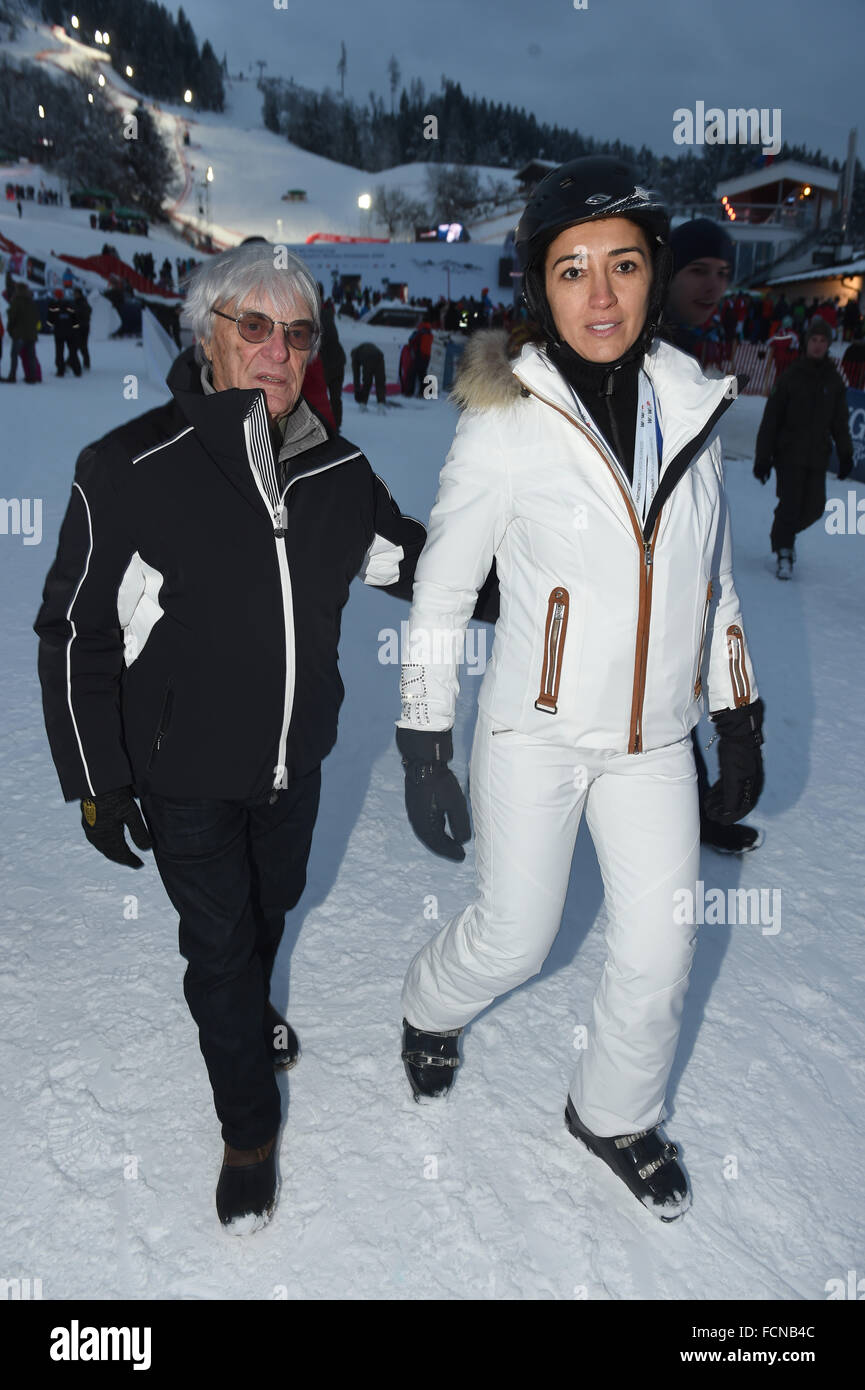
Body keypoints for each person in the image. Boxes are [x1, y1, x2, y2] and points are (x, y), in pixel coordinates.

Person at [394, 157, 764, 1222]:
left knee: (660, 946)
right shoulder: (505, 419)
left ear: (653, 277)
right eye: (570, 271)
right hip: (536, 730)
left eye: (622, 266)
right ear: (538, 287)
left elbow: (717, 582)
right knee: (516, 934)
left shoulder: (693, 407)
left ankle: (613, 1112)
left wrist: (735, 711)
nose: (598, 296)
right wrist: (426, 737)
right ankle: (428, 1006)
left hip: (651, 742)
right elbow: (442, 587)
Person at [34, 242, 426, 1234]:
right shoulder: (130, 467)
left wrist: (537, 576)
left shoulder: (337, 470)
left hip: (294, 769)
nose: (278, 351)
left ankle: (252, 1001)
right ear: (204, 337)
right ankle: (248, 1127)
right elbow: (74, 627)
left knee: (268, 911)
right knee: (218, 948)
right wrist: (97, 775)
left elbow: (412, 563)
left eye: (296, 333)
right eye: (253, 326)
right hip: (182, 775)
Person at [659, 218, 760, 856]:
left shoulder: (690, 357)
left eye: (722, 274)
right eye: (699, 270)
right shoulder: (641, 354)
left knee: (670, 697)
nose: (713, 285)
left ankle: (691, 812)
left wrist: (741, 724)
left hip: (673, 579)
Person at [754, 316, 853, 579]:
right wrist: (763, 457)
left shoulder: (834, 381)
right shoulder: (791, 376)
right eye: (814, 340)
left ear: (828, 345)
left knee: (815, 508)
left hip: (817, 456)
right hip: (788, 454)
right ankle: (784, 552)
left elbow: (840, 422)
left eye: (823, 341)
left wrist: (845, 454)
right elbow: (771, 419)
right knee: (790, 504)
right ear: (806, 342)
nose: (818, 345)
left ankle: (781, 535)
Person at [2, 282, 41, 383]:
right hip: (31, 334)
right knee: (31, 356)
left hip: (19, 333)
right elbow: (36, 317)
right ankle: (32, 377)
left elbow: (12, 317)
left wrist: (10, 329)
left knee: (14, 355)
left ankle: (12, 376)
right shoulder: (32, 301)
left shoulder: (16, 301)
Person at [318, 298, 346, 429]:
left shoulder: (317, 318)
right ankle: (336, 426)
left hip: (328, 363)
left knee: (320, 396)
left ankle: (326, 426)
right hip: (338, 360)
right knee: (335, 397)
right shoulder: (328, 315)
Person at [46, 293, 82, 377]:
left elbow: (50, 320)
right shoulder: (70, 306)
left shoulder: (54, 307)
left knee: (59, 352)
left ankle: (60, 371)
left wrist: (51, 327)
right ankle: (77, 370)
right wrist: (75, 329)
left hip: (58, 333)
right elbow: (75, 319)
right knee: (73, 352)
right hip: (71, 333)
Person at [350, 341, 387, 410]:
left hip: (368, 357)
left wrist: (357, 390)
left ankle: (362, 405)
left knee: (367, 382)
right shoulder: (362, 347)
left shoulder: (355, 355)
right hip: (379, 355)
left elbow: (356, 375)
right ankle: (381, 405)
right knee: (380, 381)